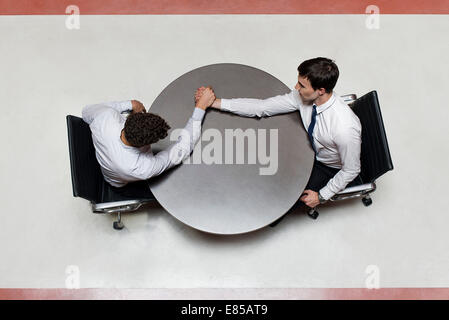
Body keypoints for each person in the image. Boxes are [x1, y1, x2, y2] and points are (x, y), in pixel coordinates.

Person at [196, 57, 362, 215]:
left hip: (328, 167)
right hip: (307, 148)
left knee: (278, 204)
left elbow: (351, 169)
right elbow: (261, 107)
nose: (296, 88)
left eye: (302, 85)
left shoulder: (344, 128)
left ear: (321, 90)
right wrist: (216, 102)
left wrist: (321, 196)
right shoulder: (302, 97)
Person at [81, 87, 215, 196]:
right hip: (119, 184)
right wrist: (201, 107)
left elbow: (86, 112)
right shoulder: (142, 168)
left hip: (106, 158)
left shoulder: (106, 116)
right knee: (174, 187)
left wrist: (130, 104)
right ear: (145, 145)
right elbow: (183, 148)